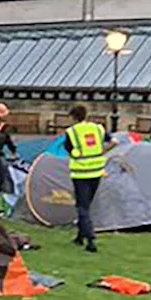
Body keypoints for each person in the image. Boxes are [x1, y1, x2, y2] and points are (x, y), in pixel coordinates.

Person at [63, 104, 115, 253]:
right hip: (96, 171)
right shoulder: (97, 128)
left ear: (73, 117)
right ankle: (80, 236)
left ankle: (90, 239)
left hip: (80, 173)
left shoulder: (72, 132)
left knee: (82, 207)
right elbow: (114, 142)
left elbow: (70, 150)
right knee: (87, 205)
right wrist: (101, 152)